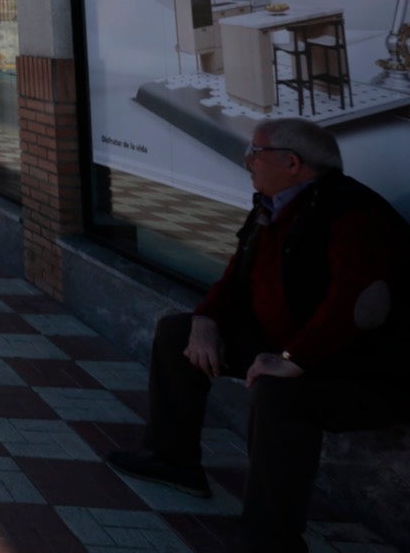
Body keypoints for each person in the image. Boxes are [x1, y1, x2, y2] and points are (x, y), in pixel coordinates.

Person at [103, 118, 410, 552]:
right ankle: (172, 460)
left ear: (291, 162)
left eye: (255, 151)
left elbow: (359, 306)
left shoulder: (353, 214)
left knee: (279, 393)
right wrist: (206, 319)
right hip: (291, 345)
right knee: (178, 333)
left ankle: (270, 538)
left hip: (358, 367)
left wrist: (293, 358)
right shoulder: (273, 203)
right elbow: (236, 278)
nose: (246, 159)